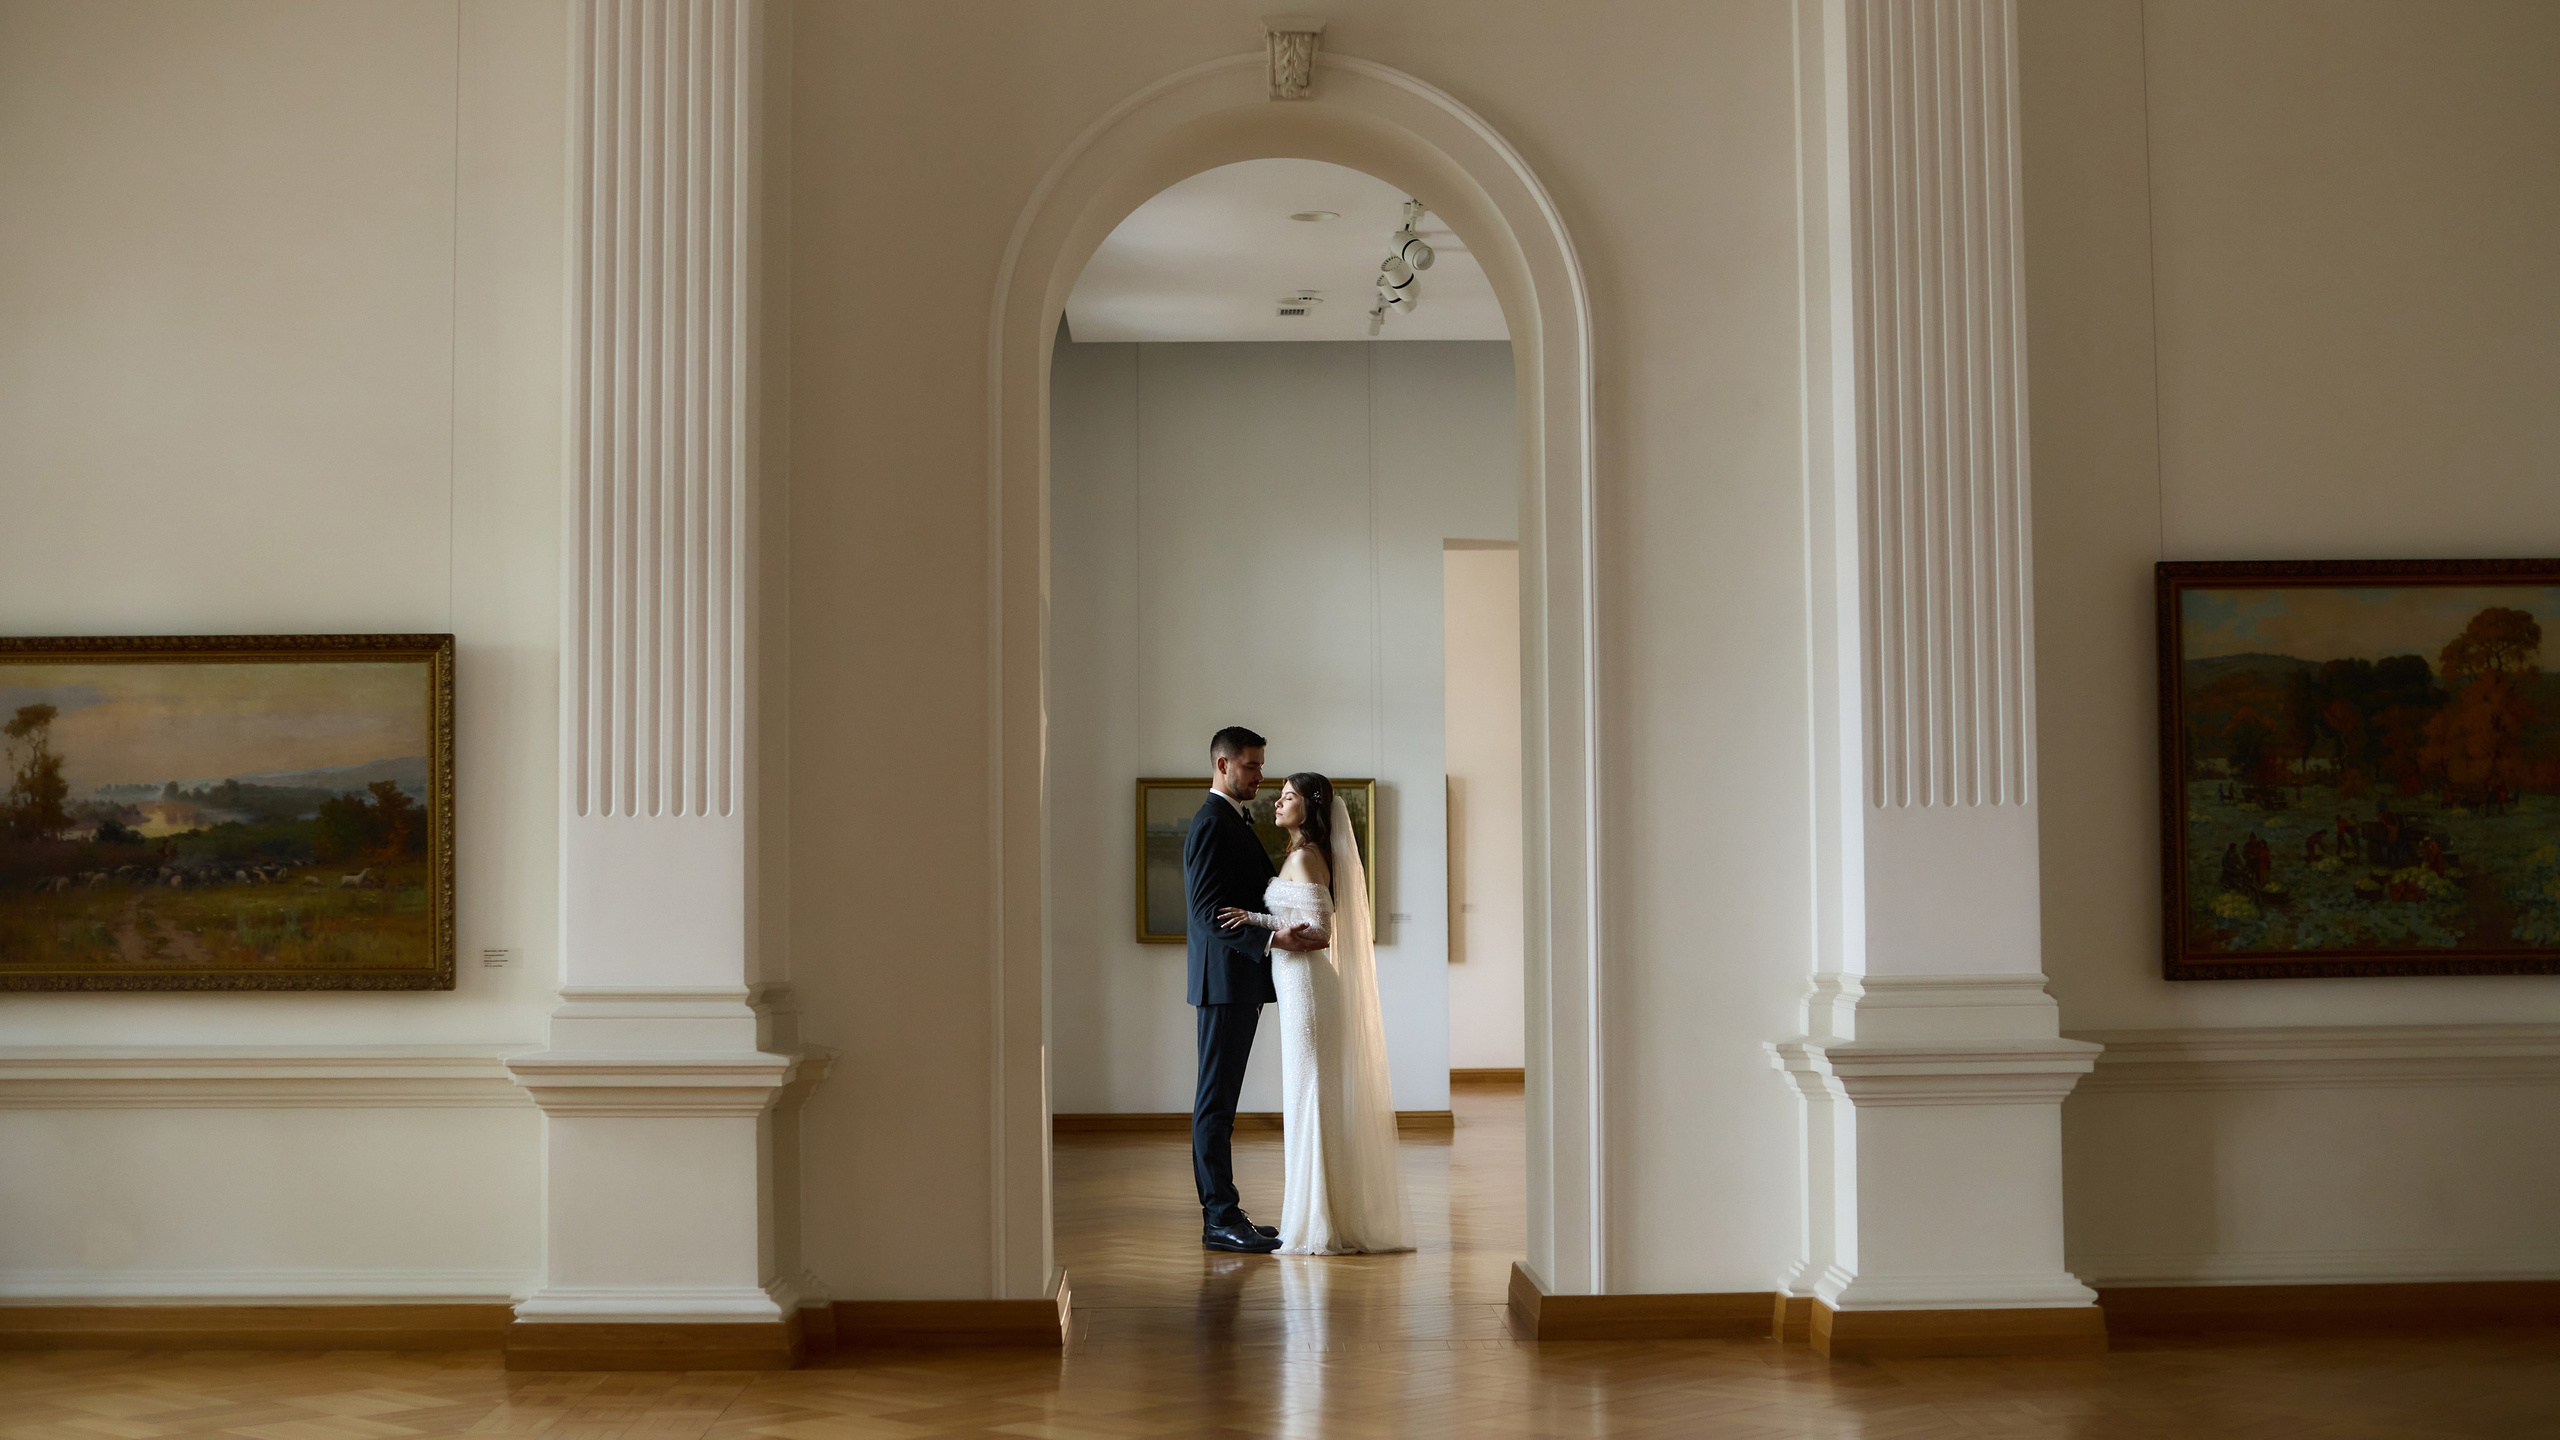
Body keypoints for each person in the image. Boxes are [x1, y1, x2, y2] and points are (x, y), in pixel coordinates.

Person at [1218, 771, 1413, 1255]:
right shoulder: (1300, 855)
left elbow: (1319, 933)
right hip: (1297, 985)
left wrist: (1255, 918)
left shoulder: (1306, 858)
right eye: (1280, 796)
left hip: (1307, 988)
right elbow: (1297, 922)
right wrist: (1258, 919)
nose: (1278, 803)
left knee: (1311, 1098)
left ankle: (1319, 1222)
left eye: (1288, 797)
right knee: (1308, 1097)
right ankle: (1315, 1215)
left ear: (1310, 807)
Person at [1184, 727, 1323, 1255]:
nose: (1260, 777)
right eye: (1251, 767)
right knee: (1214, 1106)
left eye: (1262, 767)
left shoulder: (1233, 820)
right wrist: (1271, 938)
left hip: (1239, 983)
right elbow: (1204, 913)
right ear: (1223, 766)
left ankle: (1226, 1212)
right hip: (1222, 984)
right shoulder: (1210, 824)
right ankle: (1219, 1217)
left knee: (1222, 1104)